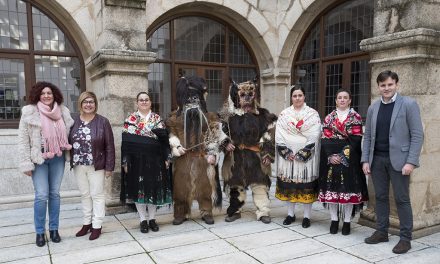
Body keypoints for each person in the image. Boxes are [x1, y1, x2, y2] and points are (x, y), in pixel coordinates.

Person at [362, 70, 424, 254]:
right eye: (383, 85)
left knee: (401, 199)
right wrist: (366, 159)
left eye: (390, 84)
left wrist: (411, 162)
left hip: (400, 161)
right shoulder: (373, 107)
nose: (386, 88)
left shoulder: (408, 104)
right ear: (378, 87)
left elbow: (418, 135)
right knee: (380, 197)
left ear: (396, 84)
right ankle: (382, 232)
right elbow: (368, 137)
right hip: (377, 161)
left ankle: (405, 238)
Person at [166, 76, 229, 225]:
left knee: (206, 187)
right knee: (181, 188)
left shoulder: (209, 117)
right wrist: (176, 146)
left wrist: (212, 153)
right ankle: (181, 212)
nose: (192, 100)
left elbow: (215, 136)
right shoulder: (174, 119)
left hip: (203, 157)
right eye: (188, 97)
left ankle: (206, 211)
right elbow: (170, 134)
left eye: (195, 97)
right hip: (183, 159)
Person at [18, 81, 74, 247]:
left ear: (54, 94)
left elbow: (70, 133)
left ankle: (54, 229)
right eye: (43, 93)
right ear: (38, 95)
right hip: (39, 158)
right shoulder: (29, 112)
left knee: (55, 194)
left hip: (57, 157)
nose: (46, 96)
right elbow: (23, 139)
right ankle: (40, 232)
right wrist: (25, 163)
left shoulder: (63, 111)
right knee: (41, 195)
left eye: (49, 93)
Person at [220, 80, 277, 224]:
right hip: (235, 157)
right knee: (235, 185)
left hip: (256, 156)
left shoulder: (263, 115)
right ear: (237, 97)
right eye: (243, 95)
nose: (246, 98)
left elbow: (268, 136)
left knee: (260, 184)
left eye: (250, 94)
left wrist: (268, 154)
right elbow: (220, 134)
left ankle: (263, 211)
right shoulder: (229, 116)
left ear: (254, 96)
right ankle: (235, 210)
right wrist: (226, 143)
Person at [318, 88, 368, 235]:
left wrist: (342, 154)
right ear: (335, 100)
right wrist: (331, 156)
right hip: (331, 161)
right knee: (332, 191)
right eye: (339, 97)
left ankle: (347, 222)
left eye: (345, 97)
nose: (342, 100)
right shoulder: (329, 118)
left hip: (350, 160)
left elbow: (355, 139)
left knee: (348, 191)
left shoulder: (356, 117)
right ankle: (334, 220)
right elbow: (326, 139)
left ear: (350, 100)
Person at [120, 92, 172, 233]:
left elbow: (164, 141)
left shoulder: (157, 119)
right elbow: (125, 143)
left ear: (150, 102)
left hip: (156, 160)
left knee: (154, 189)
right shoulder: (130, 119)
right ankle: (143, 220)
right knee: (139, 190)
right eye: (141, 100)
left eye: (146, 100)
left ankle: (152, 219)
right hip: (136, 161)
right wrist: (125, 161)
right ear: (137, 103)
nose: (144, 102)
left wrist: (168, 157)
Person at [69, 91, 115, 240]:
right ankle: (86, 223)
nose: (88, 105)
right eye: (85, 102)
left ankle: (97, 225)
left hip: (97, 164)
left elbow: (109, 146)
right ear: (80, 104)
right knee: (85, 194)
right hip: (78, 164)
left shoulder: (103, 122)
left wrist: (109, 167)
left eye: (91, 102)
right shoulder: (73, 121)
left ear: (95, 104)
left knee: (97, 195)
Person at [274, 86, 321, 228]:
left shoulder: (312, 114)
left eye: (300, 95)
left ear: (304, 96)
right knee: (290, 186)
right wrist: (286, 151)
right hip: (288, 157)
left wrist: (303, 152)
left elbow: (315, 133)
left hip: (307, 157)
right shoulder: (284, 114)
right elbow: (279, 133)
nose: (297, 98)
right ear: (291, 98)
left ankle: (306, 217)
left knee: (306, 185)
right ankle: (290, 214)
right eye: (295, 96)